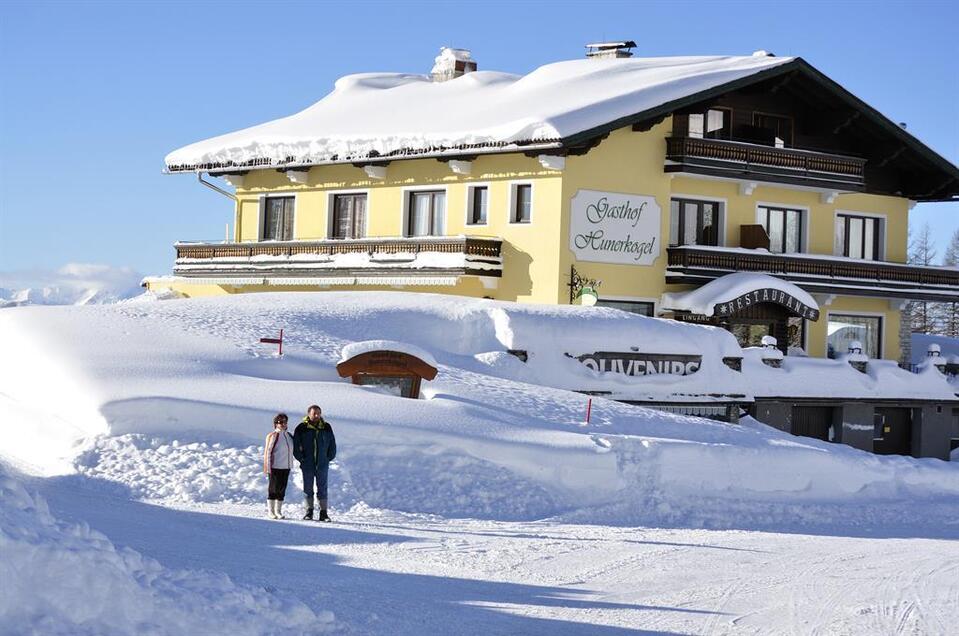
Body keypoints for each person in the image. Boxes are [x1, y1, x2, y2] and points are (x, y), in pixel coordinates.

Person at [292, 404, 337, 522]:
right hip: (308, 464)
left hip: (322, 464)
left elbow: (332, 443)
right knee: (308, 487)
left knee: (322, 488)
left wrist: (329, 457)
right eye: (314, 413)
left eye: (318, 413)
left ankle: (323, 513)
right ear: (309, 414)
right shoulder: (301, 428)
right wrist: (301, 459)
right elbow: (296, 446)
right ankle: (309, 511)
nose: (316, 415)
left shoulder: (326, 427)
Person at [263, 412, 295, 520]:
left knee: (282, 489)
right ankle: (271, 511)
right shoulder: (272, 436)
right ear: (275, 424)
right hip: (275, 466)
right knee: (273, 489)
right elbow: (268, 452)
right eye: (279, 422)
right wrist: (267, 467)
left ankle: (278, 511)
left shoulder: (289, 436)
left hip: (286, 466)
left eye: (284, 422)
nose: (282, 424)